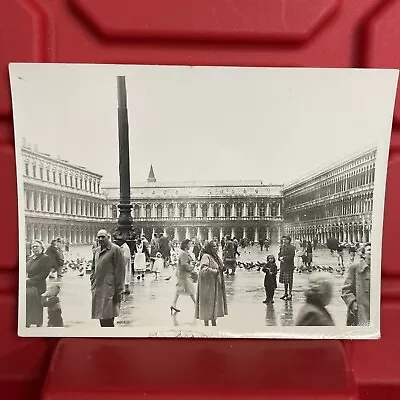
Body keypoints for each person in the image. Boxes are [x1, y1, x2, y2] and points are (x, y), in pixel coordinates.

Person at [90, 229, 125, 327]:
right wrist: (92, 280)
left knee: (108, 318)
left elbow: (120, 271)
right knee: (101, 317)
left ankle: (110, 339)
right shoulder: (96, 251)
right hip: (98, 288)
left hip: (110, 288)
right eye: (99, 237)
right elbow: (93, 267)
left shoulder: (116, 250)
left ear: (108, 237)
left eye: (103, 237)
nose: (100, 239)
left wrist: (119, 290)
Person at [195, 240, 228, 326]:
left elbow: (220, 267)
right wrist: (215, 271)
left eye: (216, 246)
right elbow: (203, 270)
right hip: (207, 286)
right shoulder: (206, 256)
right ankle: (206, 326)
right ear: (209, 248)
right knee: (207, 306)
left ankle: (214, 324)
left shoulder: (215, 257)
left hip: (215, 285)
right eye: (213, 246)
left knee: (214, 306)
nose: (215, 248)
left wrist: (222, 268)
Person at [341, 242, 371, 326]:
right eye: (369, 250)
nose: (372, 252)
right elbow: (346, 291)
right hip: (360, 314)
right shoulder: (355, 268)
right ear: (363, 254)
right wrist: (355, 307)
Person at [26, 240, 52, 327]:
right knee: (28, 305)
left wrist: (30, 281)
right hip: (28, 286)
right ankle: (28, 322)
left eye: (36, 246)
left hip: (38, 286)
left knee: (37, 306)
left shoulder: (45, 258)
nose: (34, 248)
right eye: (33, 247)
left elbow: (44, 273)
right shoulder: (30, 258)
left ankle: (37, 325)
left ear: (42, 248)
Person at [171, 239, 196, 313]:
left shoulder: (185, 253)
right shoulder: (184, 254)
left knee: (181, 289)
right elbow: (184, 264)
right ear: (186, 245)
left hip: (182, 274)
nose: (190, 246)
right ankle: (196, 305)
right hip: (184, 275)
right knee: (190, 289)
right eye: (189, 244)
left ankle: (173, 304)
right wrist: (191, 267)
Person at [278, 235, 296, 301]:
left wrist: (284, 258)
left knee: (290, 280)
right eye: (283, 239)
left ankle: (290, 293)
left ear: (289, 240)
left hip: (289, 265)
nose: (284, 241)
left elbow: (292, 256)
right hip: (283, 265)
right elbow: (279, 254)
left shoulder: (292, 247)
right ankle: (285, 293)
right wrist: (279, 258)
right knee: (285, 280)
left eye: (285, 239)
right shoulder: (281, 247)